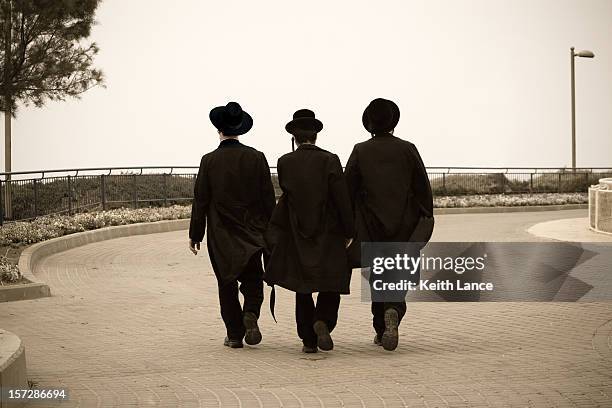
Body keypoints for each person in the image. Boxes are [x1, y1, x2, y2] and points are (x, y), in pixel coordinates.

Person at [345, 98, 433, 351]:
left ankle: (381, 328)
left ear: (369, 124)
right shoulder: (408, 149)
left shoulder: (360, 150)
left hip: (372, 227)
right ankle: (393, 311)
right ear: (393, 123)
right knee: (398, 277)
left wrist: (348, 226)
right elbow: (422, 190)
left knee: (378, 278)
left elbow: (347, 190)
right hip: (405, 227)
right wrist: (423, 222)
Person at [264, 109, 354, 354]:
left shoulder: (285, 162)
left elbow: (289, 196)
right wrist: (349, 230)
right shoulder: (330, 160)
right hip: (328, 230)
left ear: (294, 137)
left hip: (296, 231)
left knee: (301, 285)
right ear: (316, 136)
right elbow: (341, 198)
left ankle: (308, 340)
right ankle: (323, 320)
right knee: (331, 281)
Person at [189, 101, 276, 349]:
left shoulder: (209, 161)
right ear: (241, 129)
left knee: (226, 283)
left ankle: (235, 334)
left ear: (219, 129)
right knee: (253, 279)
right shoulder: (256, 158)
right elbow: (268, 198)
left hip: (221, 235)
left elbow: (201, 200)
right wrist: (272, 231)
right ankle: (251, 313)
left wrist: (196, 234)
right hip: (253, 233)